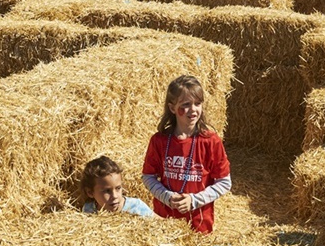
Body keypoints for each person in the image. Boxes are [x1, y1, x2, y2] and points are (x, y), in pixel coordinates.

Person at [141, 74, 231, 234]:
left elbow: (224, 183)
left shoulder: (211, 141)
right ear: (172, 108)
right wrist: (166, 197)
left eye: (198, 103)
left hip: (199, 224)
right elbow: (148, 177)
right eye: (186, 104)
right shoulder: (159, 140)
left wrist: (194, 200)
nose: (193, 110)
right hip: (164, 221)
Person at [80, 155, 154, 217]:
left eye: (118, 188)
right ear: (90, 192)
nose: (115, 196)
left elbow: (160, 223)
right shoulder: (88, 210)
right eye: (107, 191)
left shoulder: (136, 207)